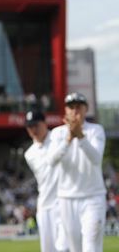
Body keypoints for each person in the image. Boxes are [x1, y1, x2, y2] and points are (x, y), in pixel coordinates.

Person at [47, 92, 106, 252]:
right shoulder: (57, 133)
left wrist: (80, 136)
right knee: (75, 248)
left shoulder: (96, 130)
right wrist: (68, 139)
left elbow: (95, 159)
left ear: (86, 109)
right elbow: (51, 160)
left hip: (93, 196)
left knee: (91, 246)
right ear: (66, 110)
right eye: (71, 107)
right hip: (67, 198)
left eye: (79, 107)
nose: (75, 111)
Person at [23, 109, 66, 252]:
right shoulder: (29, 154)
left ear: (45, 123)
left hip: (64, 201)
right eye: (30, 127)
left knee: (64, 247)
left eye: (36, 125)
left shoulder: (58, 137)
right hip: (44, 205)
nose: (33, 130)